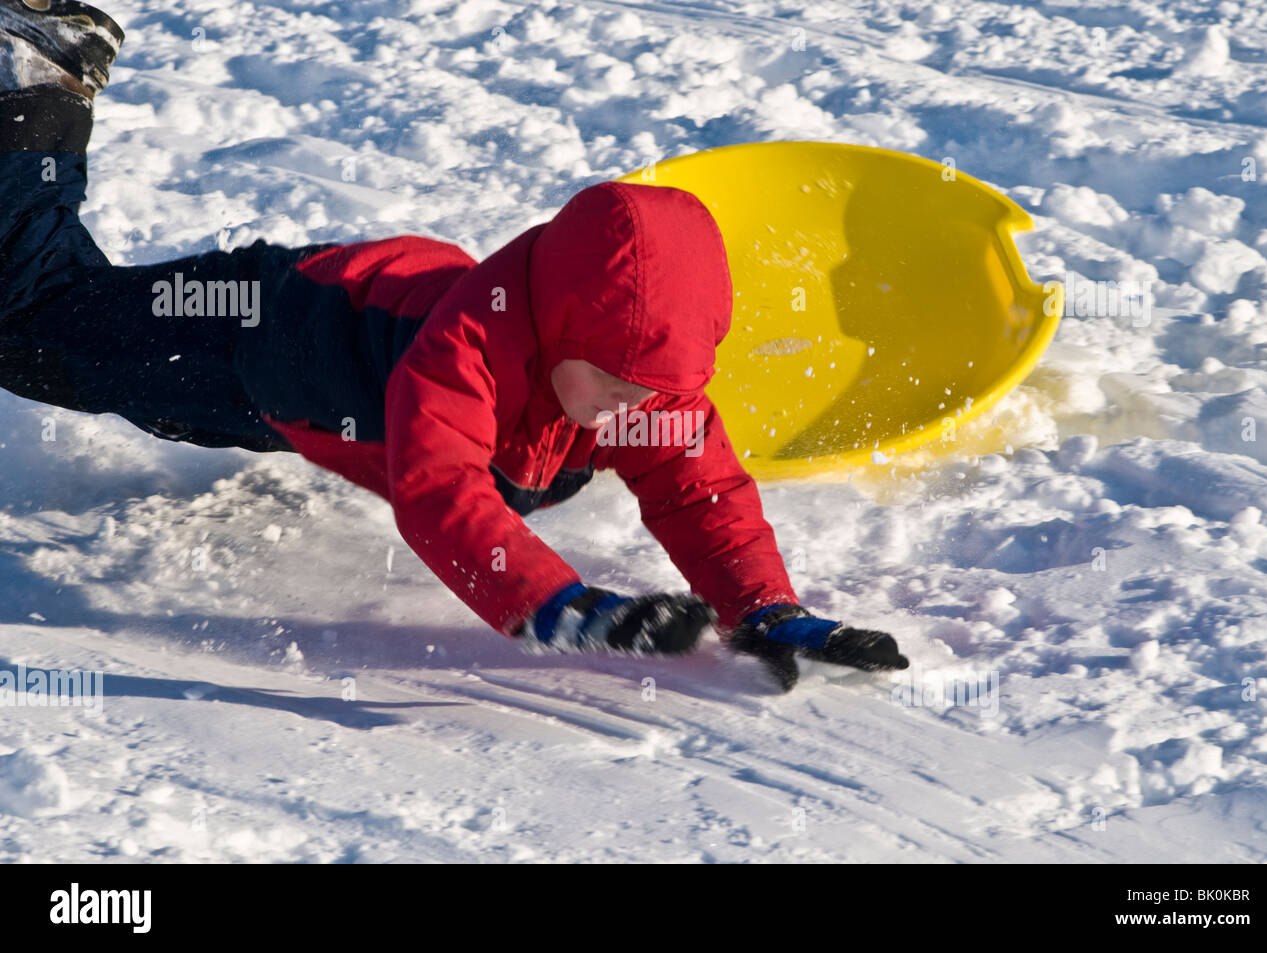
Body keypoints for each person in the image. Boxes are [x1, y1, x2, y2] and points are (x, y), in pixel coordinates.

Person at [0, 0, 909, 691]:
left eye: (650, 393)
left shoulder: (638, 385)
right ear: (559, 327)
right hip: (264, 327)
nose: (632, 414)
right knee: (32, 326)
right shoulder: (466, 353)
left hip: (323, 383)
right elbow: (440, 492)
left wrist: (766, 610)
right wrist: (561, 607)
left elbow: (698, 487)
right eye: (617, 386)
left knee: (64, 316)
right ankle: (38, 80)